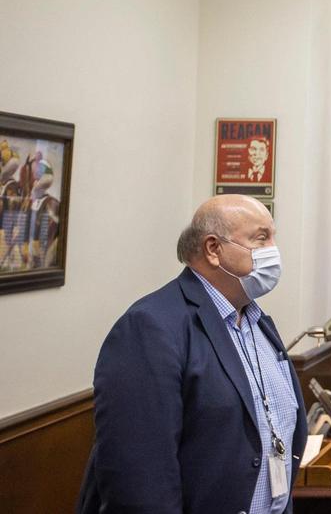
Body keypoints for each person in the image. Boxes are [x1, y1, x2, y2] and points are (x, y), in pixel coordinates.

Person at [78, 195, 307, 514]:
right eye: (261, 238)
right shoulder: (150, 327)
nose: (273, 250)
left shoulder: (256, 321)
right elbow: (140, 478)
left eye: (273, 236)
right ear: (214, 249)